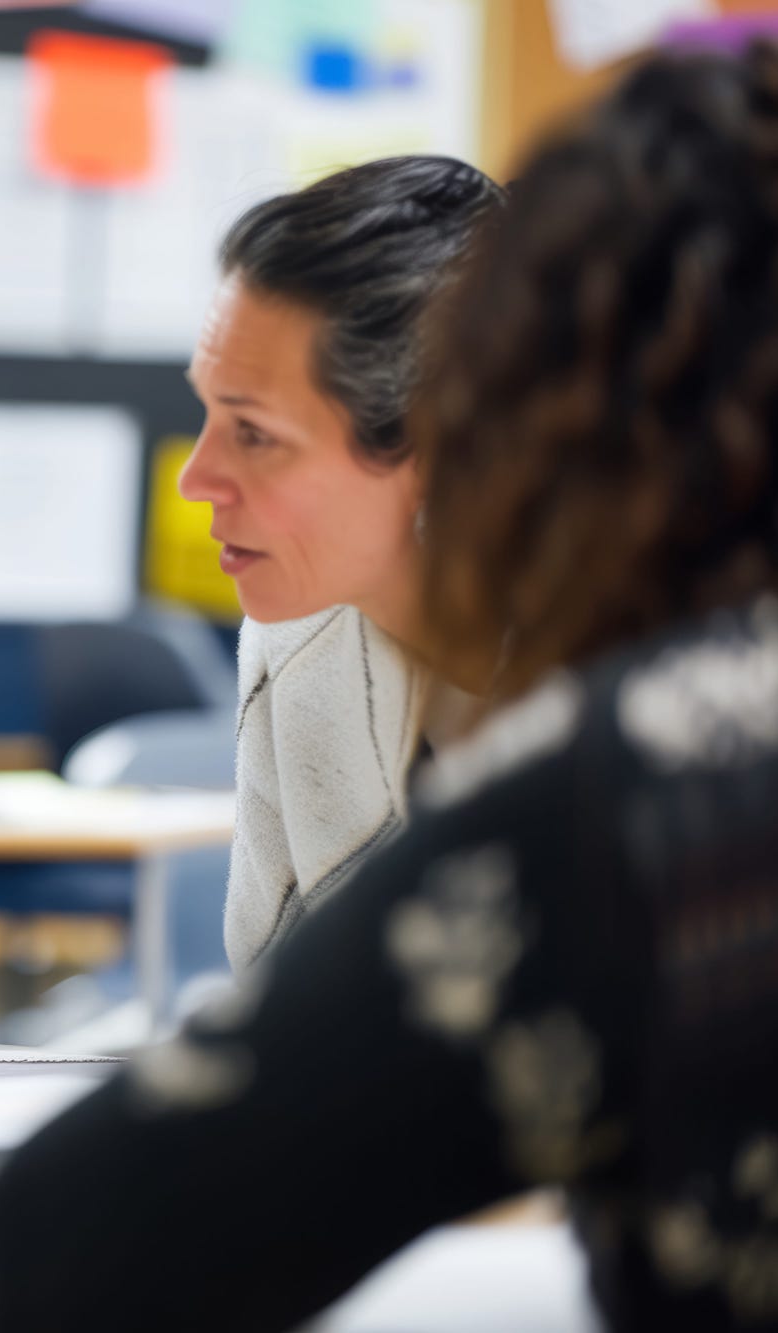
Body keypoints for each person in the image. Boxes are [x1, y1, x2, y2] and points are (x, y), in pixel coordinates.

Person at [0, 41, 778, 1332]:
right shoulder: (346, 654)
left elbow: (71, 1241)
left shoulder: (651, 783)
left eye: (254, 431)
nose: (200, 482)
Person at [177, 156, 504, 971]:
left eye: (255, 434)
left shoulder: (641, 669)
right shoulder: (297, 635)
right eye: (208, 414)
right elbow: (271, 1011)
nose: (195, 479)